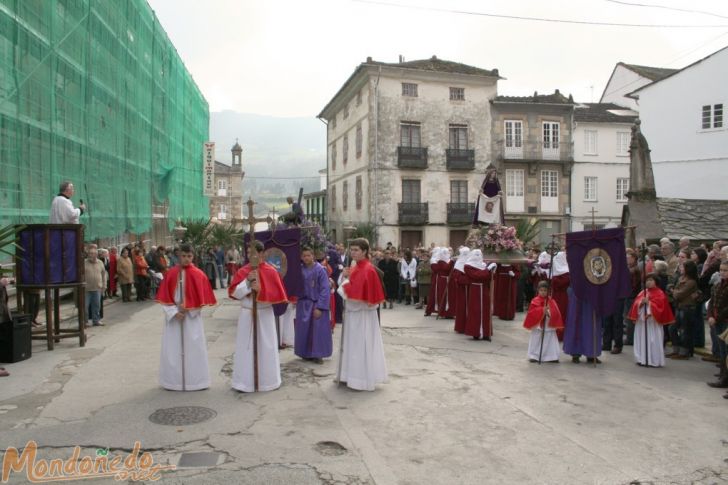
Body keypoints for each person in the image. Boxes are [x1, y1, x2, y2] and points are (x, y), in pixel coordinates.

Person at [229, 240, 288, 392]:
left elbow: (277, 296)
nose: (251, 256)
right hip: (247, 313)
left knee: (266, 347)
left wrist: (261, 290)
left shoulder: (270, 271)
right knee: (245, 347)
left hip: (264, 314)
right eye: (248, 253)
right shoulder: (243, 271)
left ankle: (267, 381)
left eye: (254, 253)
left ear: (262, 254)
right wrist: (247, 283)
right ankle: (244, 382)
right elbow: (235, 293)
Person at [156, 243, 217, 391]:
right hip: (174, 318)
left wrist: (190, 309)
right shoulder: (171, 273)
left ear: (193, 256)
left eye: (189, 256)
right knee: (173, 349)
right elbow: (165, 297)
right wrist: (174, 312)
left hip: (191, 319)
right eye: (183, 256)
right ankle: (173, 381)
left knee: (193, 349)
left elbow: (201, 300)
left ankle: (195, 381)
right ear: (179, 256)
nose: (186, 259)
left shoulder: (199, 274)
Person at [336, 238, 388, 391]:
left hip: (362, 315)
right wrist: (344, 276)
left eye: (356, 250)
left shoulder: (368, 270)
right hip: (354, 315)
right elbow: (349, 286)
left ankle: (361, 379)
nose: (353, 253)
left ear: (365, 251)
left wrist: (345, 282)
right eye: (351, 250)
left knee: (360, 347)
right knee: (352, 347)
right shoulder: (355, 267)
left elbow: (355, 297)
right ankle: (348, 375)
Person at [294, 247, 332, 363]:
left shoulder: (320, 270)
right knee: (304, 330)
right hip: (303, 303)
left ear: (313, 256)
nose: (306, 258)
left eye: (308, 255)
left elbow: (325, 289)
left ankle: (317, 354)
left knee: (317, 330)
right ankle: (304, 352)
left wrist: (320, 307)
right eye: (304, 256)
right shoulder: (299, 270)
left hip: (316, 303)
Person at [628, 273, 675, 367]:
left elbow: (661, 308)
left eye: (651, 280)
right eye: (647, 280)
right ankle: (642, 358)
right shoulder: (642, 292)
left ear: (656, 282)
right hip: (642, 322)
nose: (648, 282)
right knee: (642, 340)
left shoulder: (660, 293)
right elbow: (636, 304)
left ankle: (654, 360)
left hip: (653, 323)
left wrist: (649, 303)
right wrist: (641, 303)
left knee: (653, 341)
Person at [523, 281, 564, 363]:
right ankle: (534, 356)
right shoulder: (535, 300)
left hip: (548, 325)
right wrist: (541, 310)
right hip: (538, 326)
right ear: (538, 290)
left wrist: (549, 312)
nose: (543, 292)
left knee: (549, 340)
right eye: (541, 290)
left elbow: (556, 312)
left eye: (545, 290)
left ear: (548, 291)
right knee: (537, 340)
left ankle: (551, 356)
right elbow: (531, 313)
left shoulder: (551, 301)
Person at [667, 260, 699, 360]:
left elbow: (678, 294)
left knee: (685, 330)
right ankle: (676, 349)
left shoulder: (691, 282)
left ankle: (684, 352)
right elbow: (671, 288)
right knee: (672, 328)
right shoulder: (681, 278)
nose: (680, 268)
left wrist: (673, 291)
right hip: (679, 307)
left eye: (682, 267)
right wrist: (673, 290)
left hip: (687, 308)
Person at [463, 250, 496, 340]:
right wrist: (488, 270)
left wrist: (492, 271)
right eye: (476, 254)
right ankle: (475, 332)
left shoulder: (483, 265)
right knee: (475, 310)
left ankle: (486, 333)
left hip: (484, 289)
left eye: (479, 254)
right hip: (475, 289)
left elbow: (488, 277)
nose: (478, 256)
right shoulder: (468, 266)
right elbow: (476, 276)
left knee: (486, 310)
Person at [706, 260, 728, 392]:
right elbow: (712, 302)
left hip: (724, 321)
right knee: (722, 350)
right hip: (716, 321)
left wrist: (717, 318)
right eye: (721, 270)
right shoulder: (717, 285)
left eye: (725, 270)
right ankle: (723, 375)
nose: (723, 272)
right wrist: (710, 316)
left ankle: (725, 378)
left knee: (726, 351)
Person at [84, 246, 107, 327]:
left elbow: (104, 275)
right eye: (90, 253)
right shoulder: (84, 263)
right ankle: (85, 322)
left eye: (94, 253)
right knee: (85, 306)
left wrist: (104, 285)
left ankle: (96, 320)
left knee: (97, 306)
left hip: (97, 288)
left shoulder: (100, 263)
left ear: (97, 254)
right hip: (86, 289)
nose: (92, 255)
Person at [451, 247, 471, 334]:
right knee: (462, 307)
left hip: (471, 289)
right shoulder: (458, 264)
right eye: (464, 253)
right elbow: (456, 277)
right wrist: (469, 279)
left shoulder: (472, 262)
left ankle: (470, 326)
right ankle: (461, 326)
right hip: (462, 289)